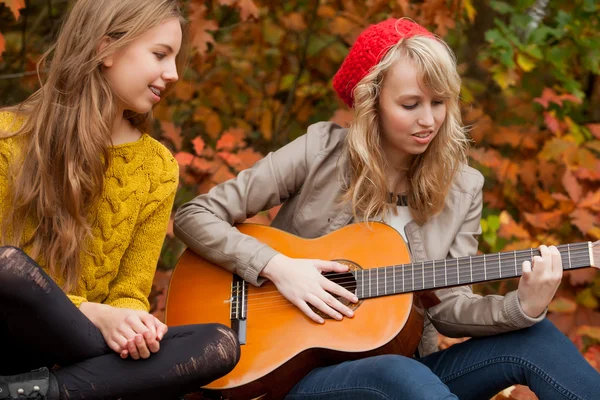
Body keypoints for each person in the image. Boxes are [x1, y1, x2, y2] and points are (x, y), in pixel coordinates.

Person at [173, 18, 600, 400]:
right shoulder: (319, 151)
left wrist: (522, 307)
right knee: (395, 373)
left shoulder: (463, 187)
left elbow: (449, 309)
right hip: (297, 372)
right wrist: (278, 267)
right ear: (370, 103)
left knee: (535, 337)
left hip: (412, 372)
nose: (429, 120)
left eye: (439, 102)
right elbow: (194, 216)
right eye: (410, 104)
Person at [0, 1, 240, 399]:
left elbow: (130, 290)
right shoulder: (9, 137)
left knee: (217, 343)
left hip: (77, 351)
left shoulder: (157, 167)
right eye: (160, 55)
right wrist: (92, 312)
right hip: (11, 333)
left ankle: (32, 392)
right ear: (105, 49)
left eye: (175, 58)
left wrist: (131, 321)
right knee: (10, 269)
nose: (173, 73)